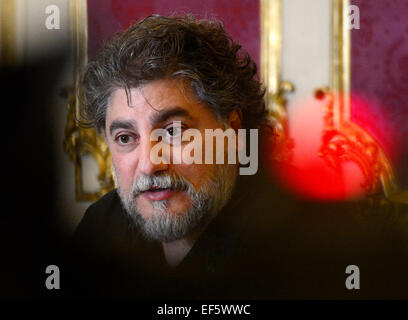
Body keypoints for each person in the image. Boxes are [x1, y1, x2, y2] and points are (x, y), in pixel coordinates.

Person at [64, 14, 408, 300]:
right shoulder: (102, 227)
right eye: (126, 138)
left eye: (173, 131)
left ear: (231, 128)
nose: (150, 163)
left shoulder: (310, 245)